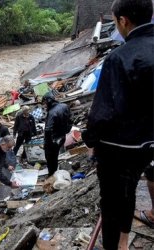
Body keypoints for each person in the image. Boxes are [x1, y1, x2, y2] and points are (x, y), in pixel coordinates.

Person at [82, 1, 154, 249]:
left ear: (123, 21)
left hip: (122, 147)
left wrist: (90, 140)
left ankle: (117, 244)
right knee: (133, 186)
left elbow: (103, 112)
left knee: (114, 201)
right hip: (149, 144)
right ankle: (124, 240)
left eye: (115, 22)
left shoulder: (119, 58)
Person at [42, 92, 71, 176]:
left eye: (45, 103)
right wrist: (65, 131)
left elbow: (48, 130)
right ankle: (55, 172)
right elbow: (70, 120)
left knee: (50, 159)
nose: (44, 105)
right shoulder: (64, 106)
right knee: (56, 155)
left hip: (53, 140)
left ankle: (52, 175)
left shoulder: (52, 112)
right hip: (62, 137)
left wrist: (47, 143)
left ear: (49, 101)